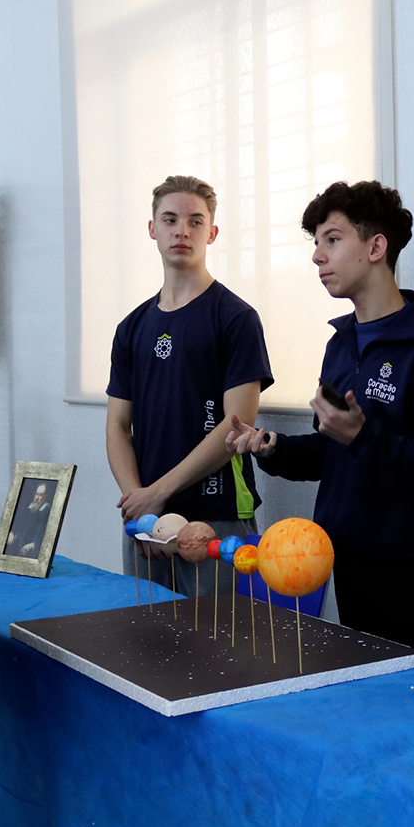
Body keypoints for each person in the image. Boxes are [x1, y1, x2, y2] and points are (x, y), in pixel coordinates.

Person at [225, 180, 414, 663]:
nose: (317, 256)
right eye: (316, 243)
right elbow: (331, 450)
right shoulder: (341, 343)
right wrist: (274, 447)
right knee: (353, 684)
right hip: (339, 554)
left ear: (376, 247)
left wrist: (364, 436)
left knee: (401, 690)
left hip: (400, 567)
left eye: (332, 239)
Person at [106, 175, 273, 596]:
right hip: (146, 522)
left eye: (195, 221)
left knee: (219, 636)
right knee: (144, 635)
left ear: (212, 233)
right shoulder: (131, 328)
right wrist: (141, 506)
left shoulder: (236, 319)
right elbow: (117, 426)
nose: (182, 230)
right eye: (170, 220)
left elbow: (236, 425)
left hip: (217, 517)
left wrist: (157, 494)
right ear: (152, 229)